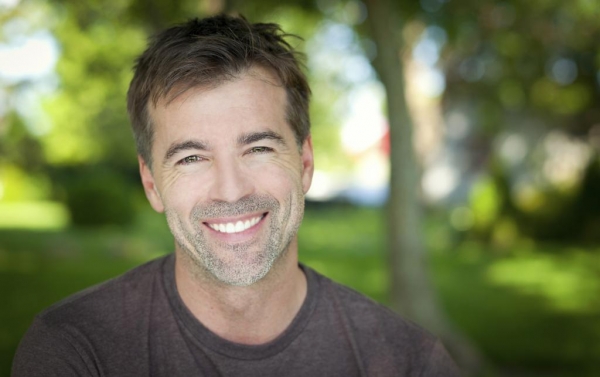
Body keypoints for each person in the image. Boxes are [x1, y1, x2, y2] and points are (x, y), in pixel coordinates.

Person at [12, 14, 460, 376]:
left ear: (304, 163)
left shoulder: (408, 363)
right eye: (191, 158)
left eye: (258, 148)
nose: (231, 190)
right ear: (152, 183)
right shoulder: (75, 350)